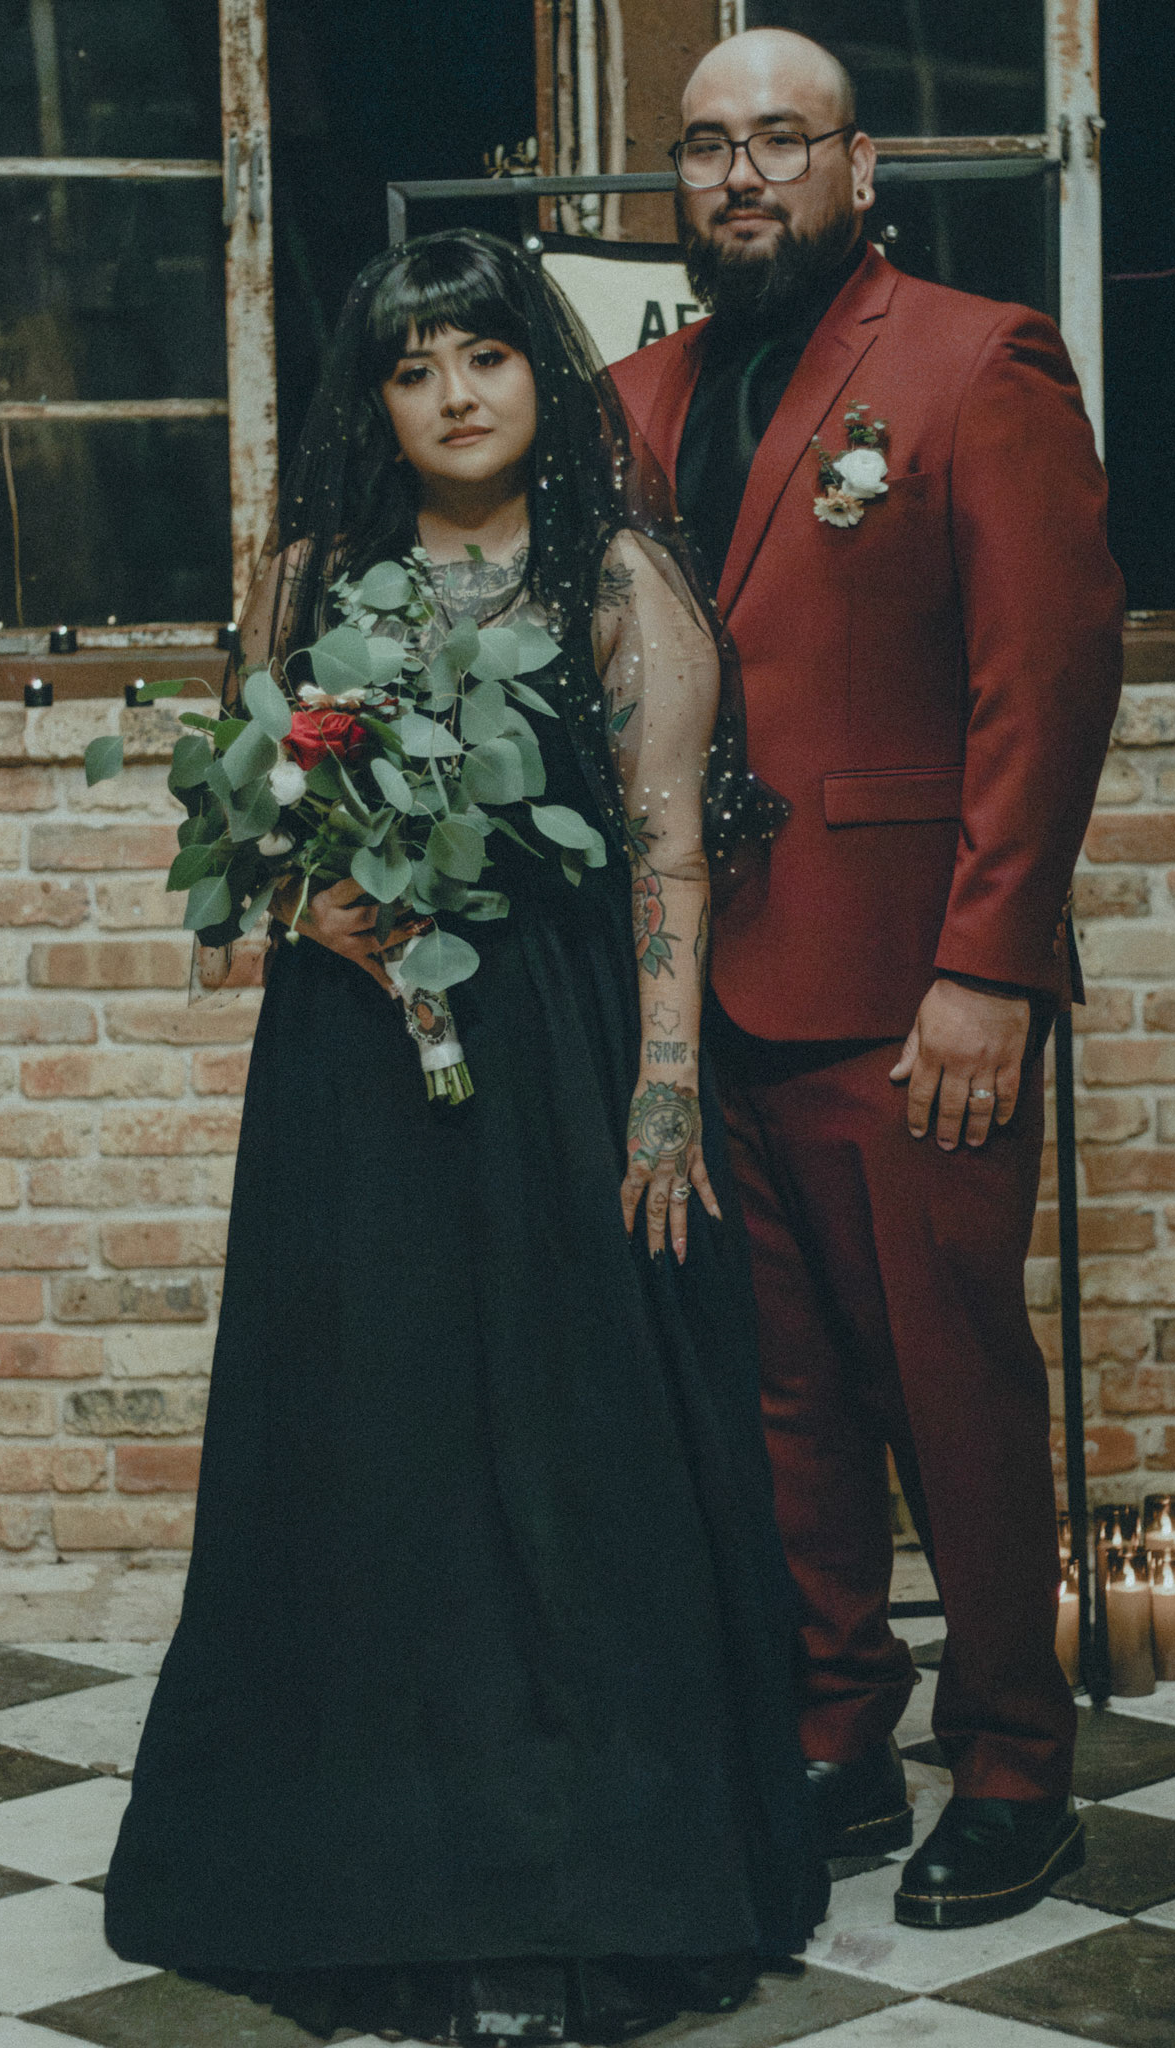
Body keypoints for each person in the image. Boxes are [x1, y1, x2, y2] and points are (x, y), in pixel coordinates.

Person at [103, 230, 824, 2043]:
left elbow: (667, 851)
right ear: (377, 401)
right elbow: (253, 827)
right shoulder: (309, 580)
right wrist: (311, 908)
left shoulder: (618, 576)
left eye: (482, 357)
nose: (453, 396)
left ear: (536, 372)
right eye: (413, 367)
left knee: (567, 1442)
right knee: (375, 1430)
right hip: (353, 1059)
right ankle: (370, 1868)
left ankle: (581, 1872)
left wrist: (665, 1086)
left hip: (560, 1048)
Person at [613, 28, 1124, 1931]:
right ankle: (837, 1729)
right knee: (780, 1394)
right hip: (699, 994)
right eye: (706, 146)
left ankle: (1012, 1766)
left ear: (859, 164)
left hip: (911, 992)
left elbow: (1044, 684)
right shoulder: (633, 392)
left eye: (781, 139)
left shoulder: (976, 362)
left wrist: (987, 967)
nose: (740, 175)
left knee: (948, 1383)